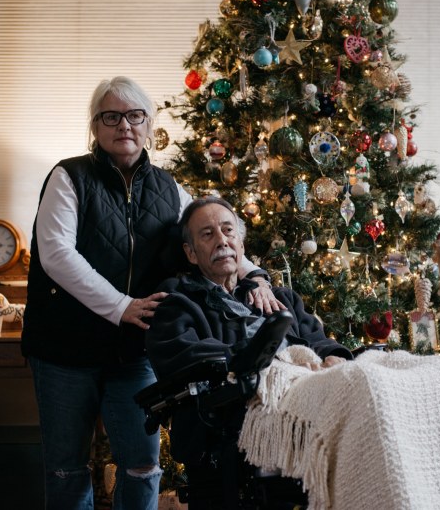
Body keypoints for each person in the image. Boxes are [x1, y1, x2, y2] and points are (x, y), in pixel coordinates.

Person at [21, 76, 281, 510]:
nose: (124, 125)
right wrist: (120, 306)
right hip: (64, 350)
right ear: (96, 128)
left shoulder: (169, 188)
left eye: (134, 116)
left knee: (143, 468)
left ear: (148, 125)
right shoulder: (69, 176)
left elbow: (210, 234)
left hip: (134, 353)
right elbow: (56, 255)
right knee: (66, 470)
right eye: (111, 116)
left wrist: (257, 275)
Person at [146, 197, 352, 507]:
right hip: (240, 414)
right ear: (190, 252)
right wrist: (270, 366)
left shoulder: (278, 296)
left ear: (241, 243)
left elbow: (315, 339)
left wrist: (334, 355)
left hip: (307, 395)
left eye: (228, 230)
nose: (222, 240)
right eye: (207, 234)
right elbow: (186, 356)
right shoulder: (176, 301)